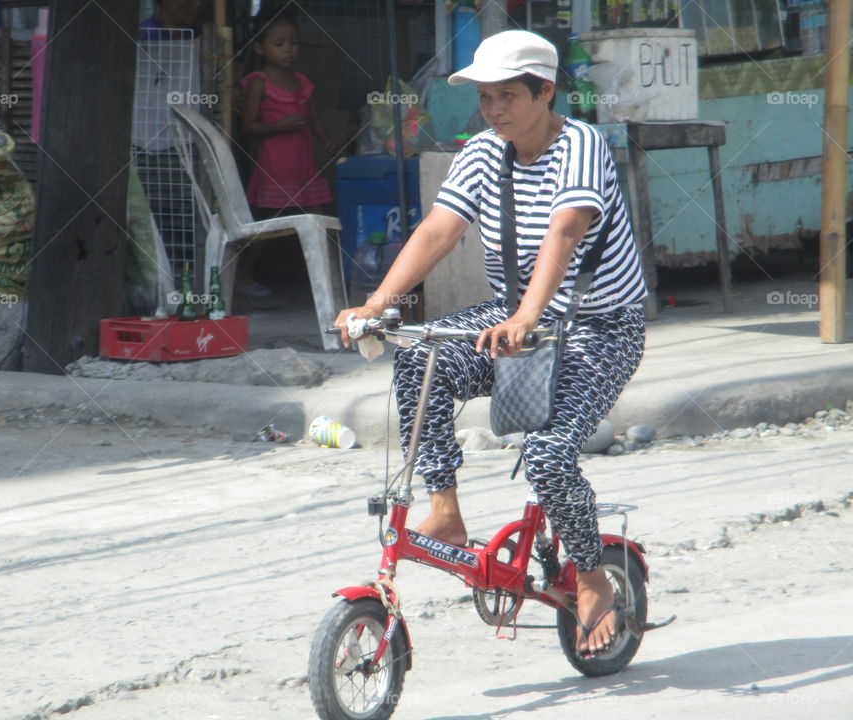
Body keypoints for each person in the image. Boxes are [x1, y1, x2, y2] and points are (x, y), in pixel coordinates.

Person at [335, 30, 647, 659]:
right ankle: (445, 506)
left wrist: (529, 316)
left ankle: (591, 579)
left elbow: (564, 230)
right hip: (513, 318)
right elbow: (437, 232)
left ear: (545, 91)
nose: (495, 108)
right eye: (486, 96)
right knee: (419, 358)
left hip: (598, 327)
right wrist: (376, 306)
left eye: (508, 95)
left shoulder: (581, 145)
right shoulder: (482, 152)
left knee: (551, 457)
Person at [237, 9, 334, 299]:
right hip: (274, 169)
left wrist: (326, 138)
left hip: (304, 168)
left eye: (293, 42)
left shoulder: (303, 83)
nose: (288, 49)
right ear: (260, 48)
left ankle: (328, 279)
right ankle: (244, 274)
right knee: (266, 226)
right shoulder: (259, 82)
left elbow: (312, 116)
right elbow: (248, 127)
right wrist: (278, 126)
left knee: (319, 219)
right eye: (279, 44)